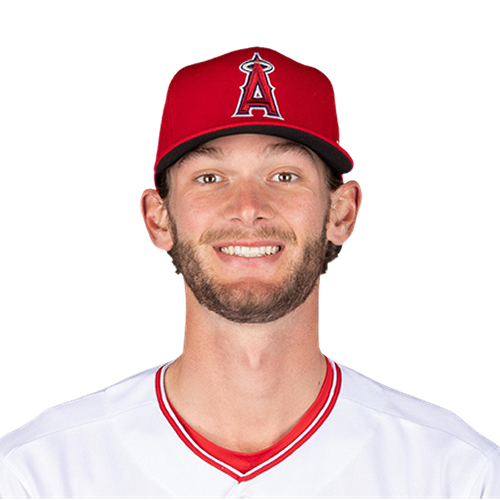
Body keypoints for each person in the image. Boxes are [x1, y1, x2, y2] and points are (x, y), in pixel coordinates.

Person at [1, 47, 498, 498]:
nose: (247, 208)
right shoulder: (37, 474)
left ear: (341, 214)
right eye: (210, 177)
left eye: (283, 176)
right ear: (158, 219)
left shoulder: (456, 475)